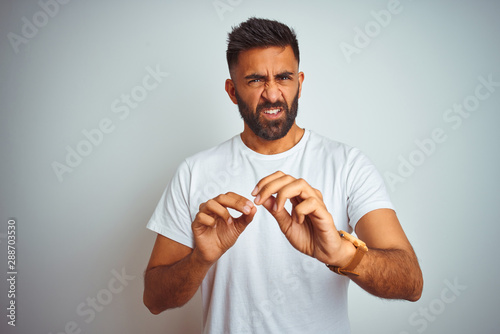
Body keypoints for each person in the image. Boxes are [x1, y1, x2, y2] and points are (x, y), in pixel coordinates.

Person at [143, 17, 423, 333]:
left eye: (284, 77)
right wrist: (199, 261)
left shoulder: (347, 164)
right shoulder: (194, 172)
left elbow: (410, 282)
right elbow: (154, 299)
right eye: (255, 80)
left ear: (300, 83)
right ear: (232, 91)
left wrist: (340, 253)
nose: (273, 94)